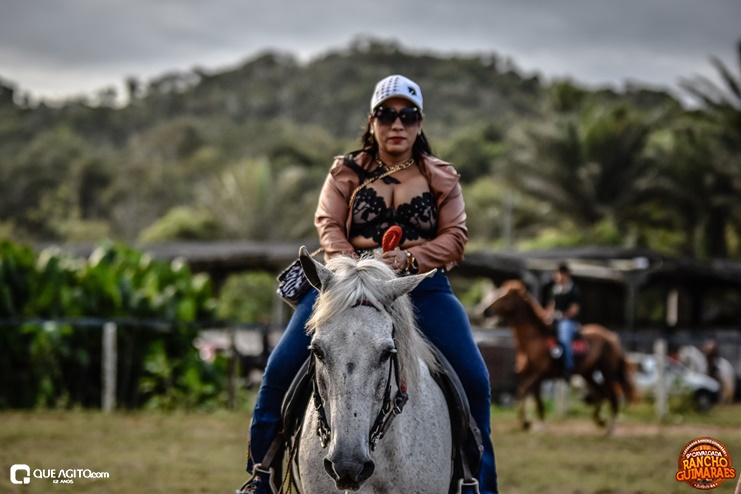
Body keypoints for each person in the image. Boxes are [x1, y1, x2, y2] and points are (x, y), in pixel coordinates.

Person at [242, 74, 498, 494]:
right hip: (345, 284)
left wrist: (410, 259)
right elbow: (328, 224)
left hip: (419, 286)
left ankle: (478, 485)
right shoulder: (345, 171)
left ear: (419, 123)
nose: (397, 124)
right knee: (280, 369)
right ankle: (261, 474)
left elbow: (455, 237)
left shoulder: (441, 175)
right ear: (372, 120)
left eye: (407, 116)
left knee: (474, 378)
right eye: (386, 114)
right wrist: (351, 269)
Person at [545, 263, 582, 380]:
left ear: (566, 275)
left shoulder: (574, 290)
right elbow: (551, 305)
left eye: (560, 273)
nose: (557, 276)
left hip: (568, 321)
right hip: (555, 319)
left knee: (564, 339)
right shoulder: (555, 290)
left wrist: (561, 315)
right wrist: (547, 315)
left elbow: (574, 309)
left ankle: (568, 367)